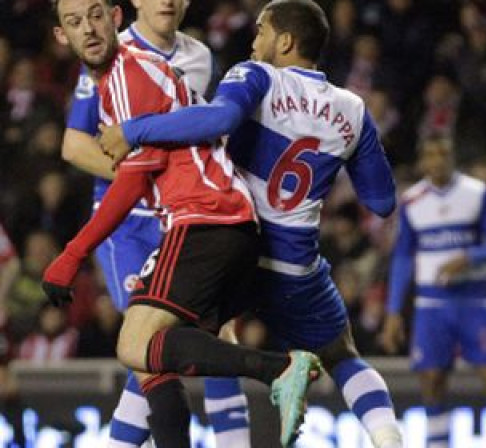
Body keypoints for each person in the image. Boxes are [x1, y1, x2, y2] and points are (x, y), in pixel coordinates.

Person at [96, 1, 404, 446]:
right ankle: (388, 436)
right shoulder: (353, 108)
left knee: (151, 343)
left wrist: (135, 130)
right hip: (297, 269)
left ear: (285, 41)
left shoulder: (257, 75)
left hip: (233, 249)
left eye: (262, 31)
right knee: (341, 353)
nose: (254, 41)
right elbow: (382, 201)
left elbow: (220, 118)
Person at [46, 1, 320, 447]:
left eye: (95, 16)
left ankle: (281, 368)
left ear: (115, 18)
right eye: (75, 23)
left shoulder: (128, 73)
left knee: (135, 345)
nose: (88, 29)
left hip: (203, 219)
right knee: (153, 359)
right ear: (62, 37)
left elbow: (136, 177)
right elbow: (92, 150)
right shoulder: (126, 74)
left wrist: (73, 253)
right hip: (218, 220)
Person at [59, 0, 252, 445]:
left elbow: (207, 135)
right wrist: (144, 178)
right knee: (149, 344)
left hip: (184, 217)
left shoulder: (200, 56)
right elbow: (74, 145)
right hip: (129, 224)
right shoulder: (110, 51)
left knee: (210, 334)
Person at [380, 135, 486, 448]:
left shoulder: (477, 193)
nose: (437, 161)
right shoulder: (412, 201)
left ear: (452, 157)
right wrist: (393, 312)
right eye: (431, 155)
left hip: (474, 301)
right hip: (431, 305)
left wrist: (469, 257)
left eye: (443, 154)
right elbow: (403, 256)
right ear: (422, 161)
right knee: (431, 382)